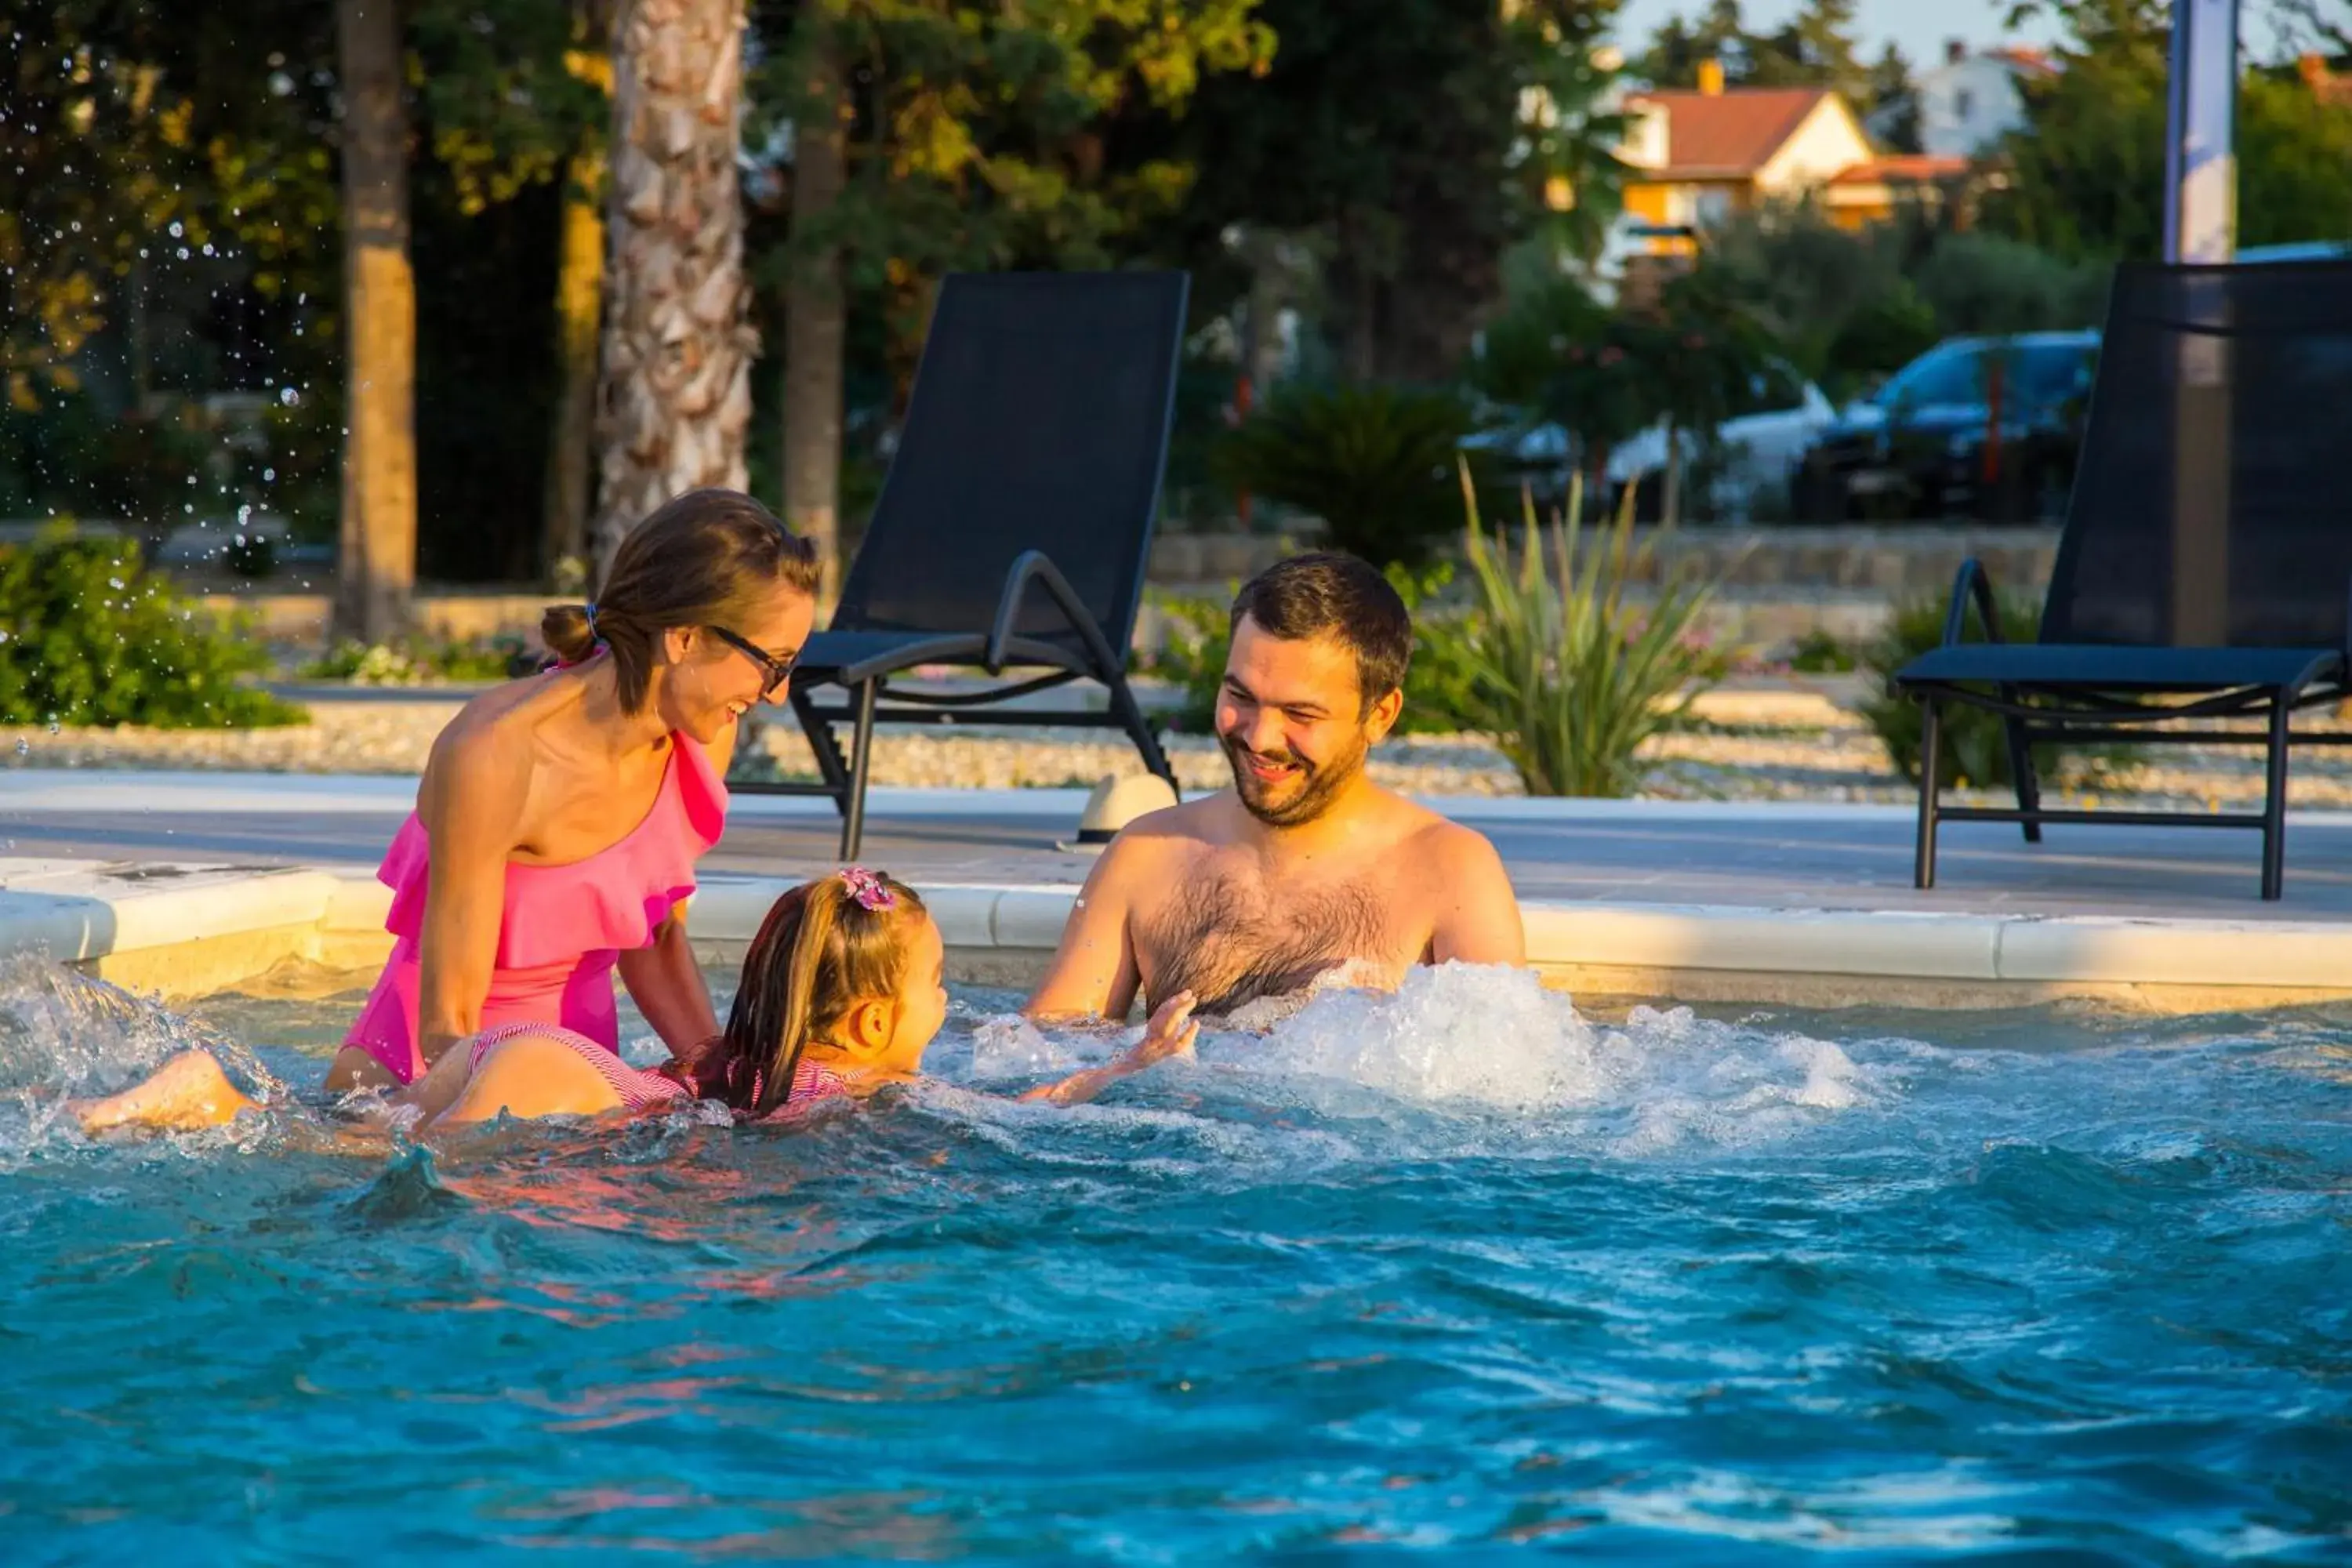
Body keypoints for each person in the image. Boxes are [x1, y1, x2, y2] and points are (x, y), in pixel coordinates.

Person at [73, 870, 1201, 1136]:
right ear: (864, 1026)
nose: (945, 1006)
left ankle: (228, 1092)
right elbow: (1023, 1107)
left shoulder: (744, 1062)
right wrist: (1128, 1071)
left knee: (355, 1131)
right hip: (563, 1083)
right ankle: (212, 1094)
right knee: (340, 1164)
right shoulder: (857, 1088)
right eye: (939, 986)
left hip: (546, 1056)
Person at [325, 488, 818, 1093]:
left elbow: (655, 937)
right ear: (685, 639)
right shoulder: (495, 753)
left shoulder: (703, 736)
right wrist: (514, 1114)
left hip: (578, 1077)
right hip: (422, 1081)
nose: (776, 694)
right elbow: (448, 1026)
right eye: (774, 664)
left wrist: (724, 1079)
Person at [1028, 551, 1525, 1024]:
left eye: (1300, 713)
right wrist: (1128, 1068)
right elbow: (1039, 1059)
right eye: (1240, 696)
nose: (1260, 738)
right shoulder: (1146, 856)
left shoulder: (1450, 874)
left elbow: (1499, 1095)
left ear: (1380, 715)